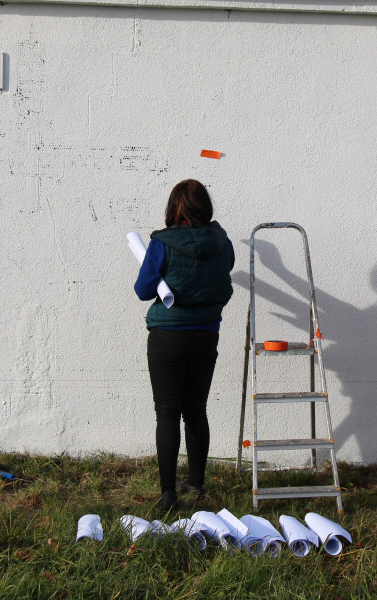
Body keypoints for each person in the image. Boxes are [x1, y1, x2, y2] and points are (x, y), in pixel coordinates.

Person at [134, 179, 234, 510]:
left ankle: (167, 493)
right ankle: (195, 483)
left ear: (173, 208)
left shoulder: (163, 243)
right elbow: (225, 269)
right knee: (196, 410)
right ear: (205, 207)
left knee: (167, 412)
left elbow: (143, 289)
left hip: (168, 336)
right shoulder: (222, 241)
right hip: (206, 335)